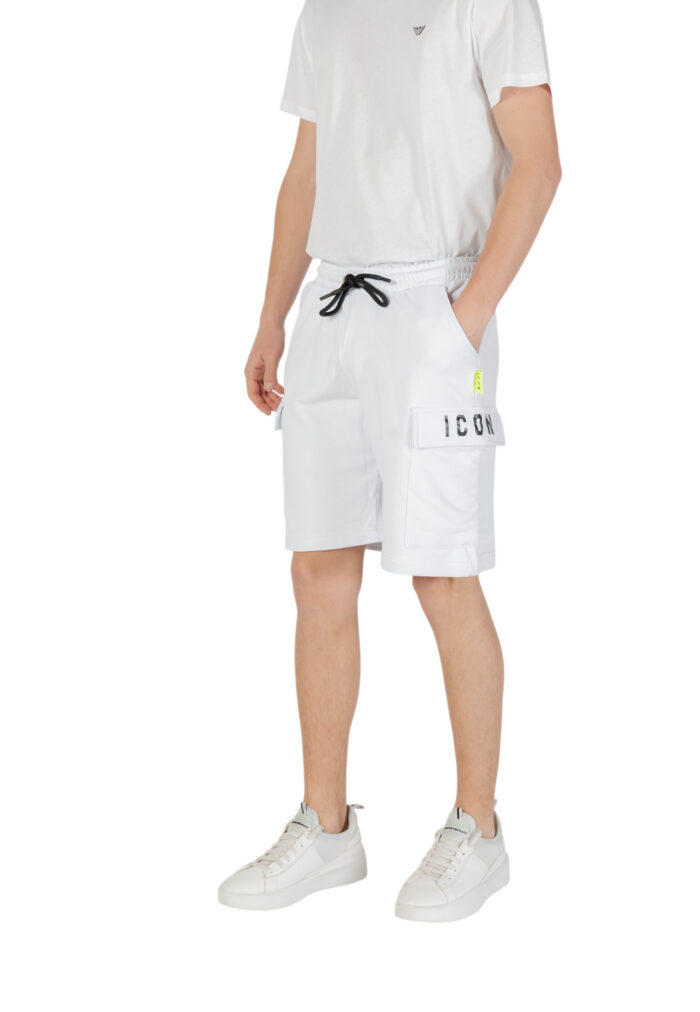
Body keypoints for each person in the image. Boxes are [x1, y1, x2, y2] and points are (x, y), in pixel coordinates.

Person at [219, 0, 560, 922]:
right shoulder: (325, 9)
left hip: (435, 301)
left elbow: (539, 162)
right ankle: (327, 827)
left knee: (443, 577)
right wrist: (271, 317)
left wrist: (464, 321)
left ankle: (478, 828)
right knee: (318, 572)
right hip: (333, 307)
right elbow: (307, 168)